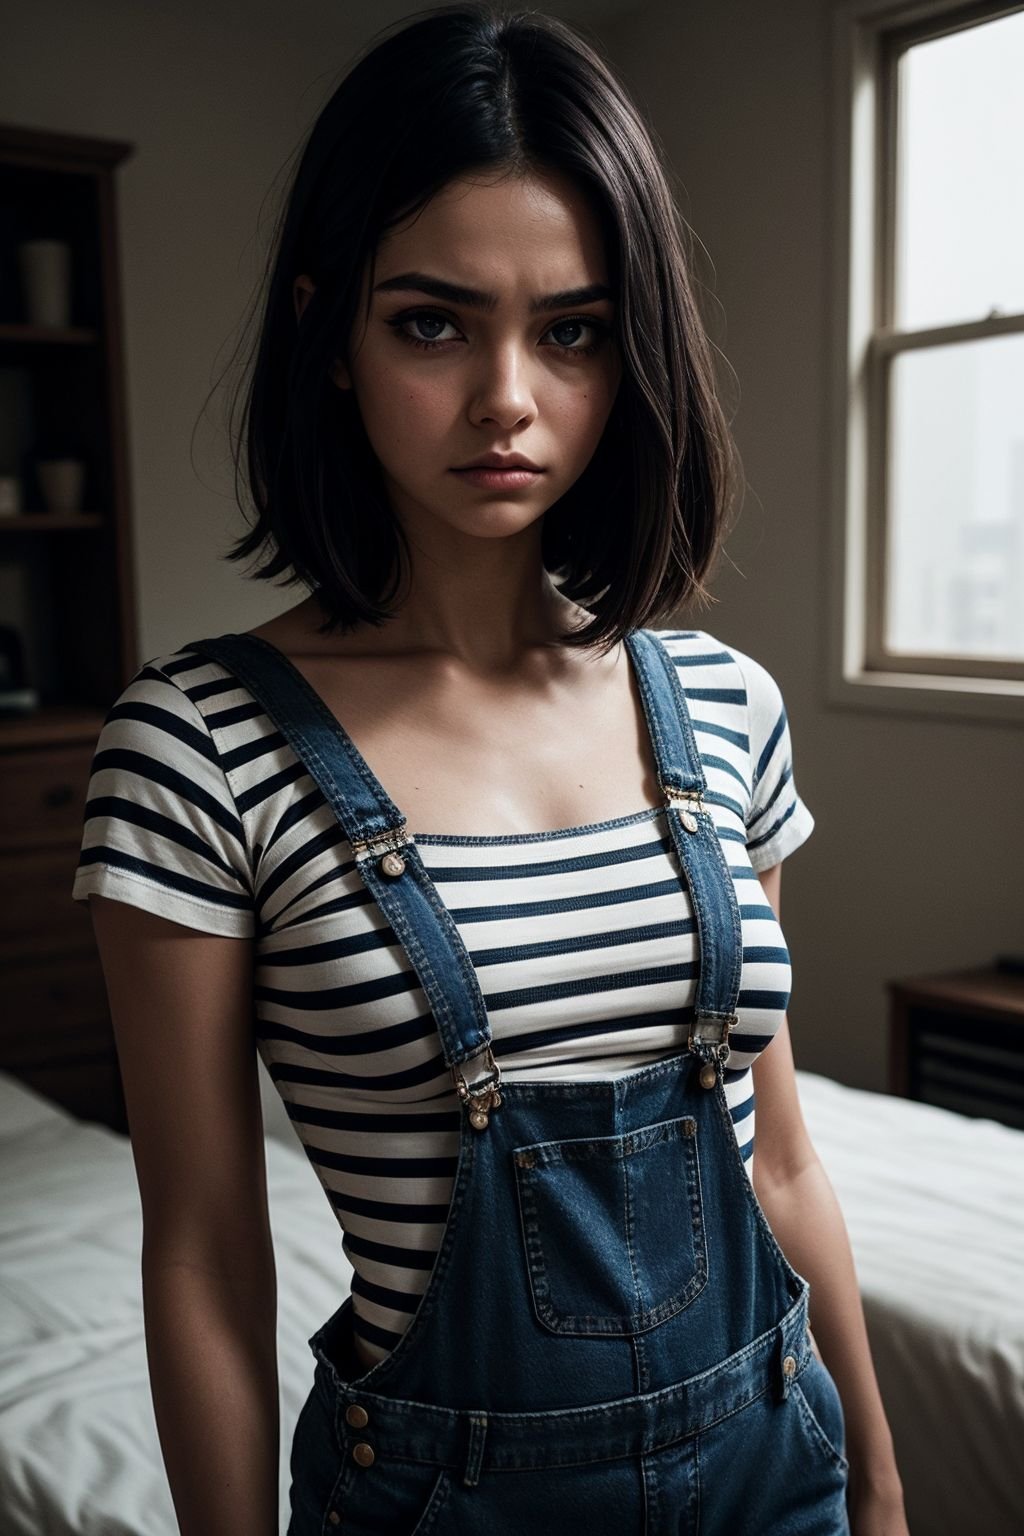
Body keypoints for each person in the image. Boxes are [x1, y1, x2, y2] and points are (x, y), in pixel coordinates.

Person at [73, 5, 909, 1533]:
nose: (507, 396)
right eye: (434, 322)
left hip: (775, 1461)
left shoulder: (726, 706)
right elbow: (201, 1247)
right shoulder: (198, 748)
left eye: (573, 329)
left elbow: (781, 1165)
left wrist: (889, 1494)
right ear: (333, 334)